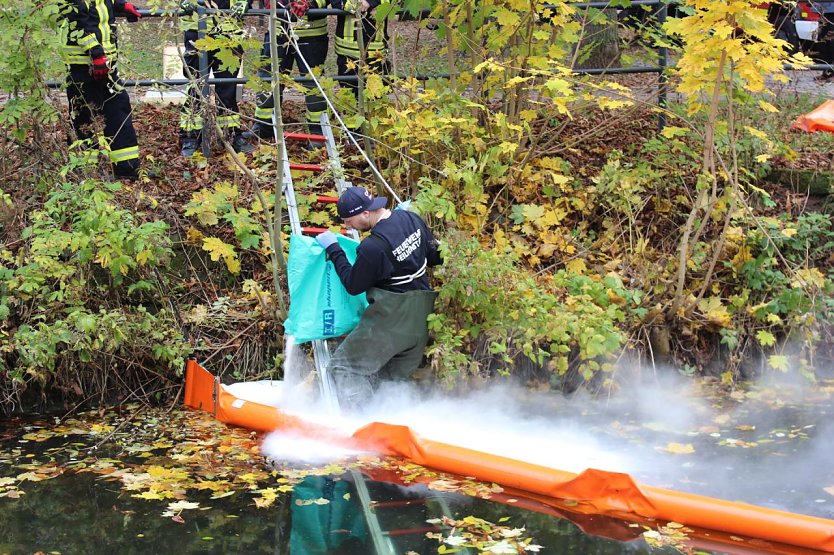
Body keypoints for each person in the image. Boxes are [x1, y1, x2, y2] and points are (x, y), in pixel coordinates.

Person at [315, 187, 442, 410]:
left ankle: (363, 425)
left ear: (365, 213)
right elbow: (436, 258)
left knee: (344, 367)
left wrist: (335, 250)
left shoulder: (373, 246)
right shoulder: (410, 217)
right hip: (422, 317)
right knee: (393, 383)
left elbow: (353, 285)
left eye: (349, 220)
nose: (347, 227)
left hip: (392, 319)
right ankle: (396, 430)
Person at [60, 0, 144, 180]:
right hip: (83, 64)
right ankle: (84, 173)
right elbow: (77, 21)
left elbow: (100, 5)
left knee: (118, 112)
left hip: (106, 64)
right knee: (84, 118)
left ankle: (127, 169)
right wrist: (95, 53)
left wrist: (121, 6)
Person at [178, 0, 255, 156]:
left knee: (227, 87)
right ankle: (190, 136)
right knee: (196, 85)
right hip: (196, 27)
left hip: (229, 31)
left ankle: (231, 135)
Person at [245, 0, 330, 140]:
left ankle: (318, 130)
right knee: (268, 77)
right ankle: (264, 125)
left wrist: (311, 2)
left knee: (313, 81)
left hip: (312, 33)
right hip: (278, 30)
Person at [331, 0, 390, 109]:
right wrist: (355, 5)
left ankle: (372, 124)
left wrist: (370, 2)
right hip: (347, 55)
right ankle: (351, 126)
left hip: (376, 54)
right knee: (350, 101)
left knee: (376, 101)